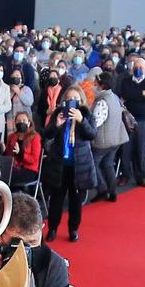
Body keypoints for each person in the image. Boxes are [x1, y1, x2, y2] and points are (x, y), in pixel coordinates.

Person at [39, 85, 96, 244]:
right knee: (56, 199)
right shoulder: (58, 113)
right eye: (69, 99)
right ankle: (52, 228)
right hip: (59, 163)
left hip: (79, 165)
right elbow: (47, 135)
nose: (72, 102)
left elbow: (92, 134)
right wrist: (56, 125)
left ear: (81, 100)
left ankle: (73, 229)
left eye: (75, 99)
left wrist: (81, 121)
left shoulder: (86, 114)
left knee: (75, 201)